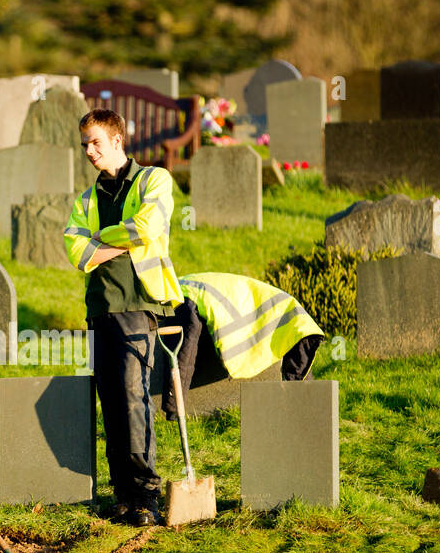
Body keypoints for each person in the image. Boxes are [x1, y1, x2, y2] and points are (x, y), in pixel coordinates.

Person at [63, 109, 183, 527]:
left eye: (96, 142)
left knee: (134, 401)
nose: (89, 151)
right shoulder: (85, 199)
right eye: (84, 145)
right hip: (100, 307)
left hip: (139, 302)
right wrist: (112, 242)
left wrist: (100, 239)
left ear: (118, 140)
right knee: (111, 404)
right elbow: (77, 255)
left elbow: (147, 228)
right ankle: (122, 495)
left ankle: (146, 495)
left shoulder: (154, 179)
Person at [159, 273, 325, 418]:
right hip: (214, 296)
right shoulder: (186, 297)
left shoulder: (292, 319)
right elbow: (184, 351)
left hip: (221, 296)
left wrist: (173, 407)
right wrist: (173, 406)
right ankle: (303, 407)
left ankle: (303, 407)